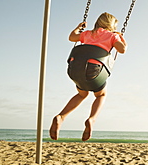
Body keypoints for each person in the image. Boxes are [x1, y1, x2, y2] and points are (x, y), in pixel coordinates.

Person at [49, 12, 127, 141]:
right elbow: (122, 50)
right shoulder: (113, 36)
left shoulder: (88, 34)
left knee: (82, 94)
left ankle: (61, 117)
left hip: (75, 69)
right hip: (94, 72)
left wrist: (78, 28)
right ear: (112, 26)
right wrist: (121, 39)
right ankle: (92, 119)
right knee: (101, 94)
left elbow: (71, 37)